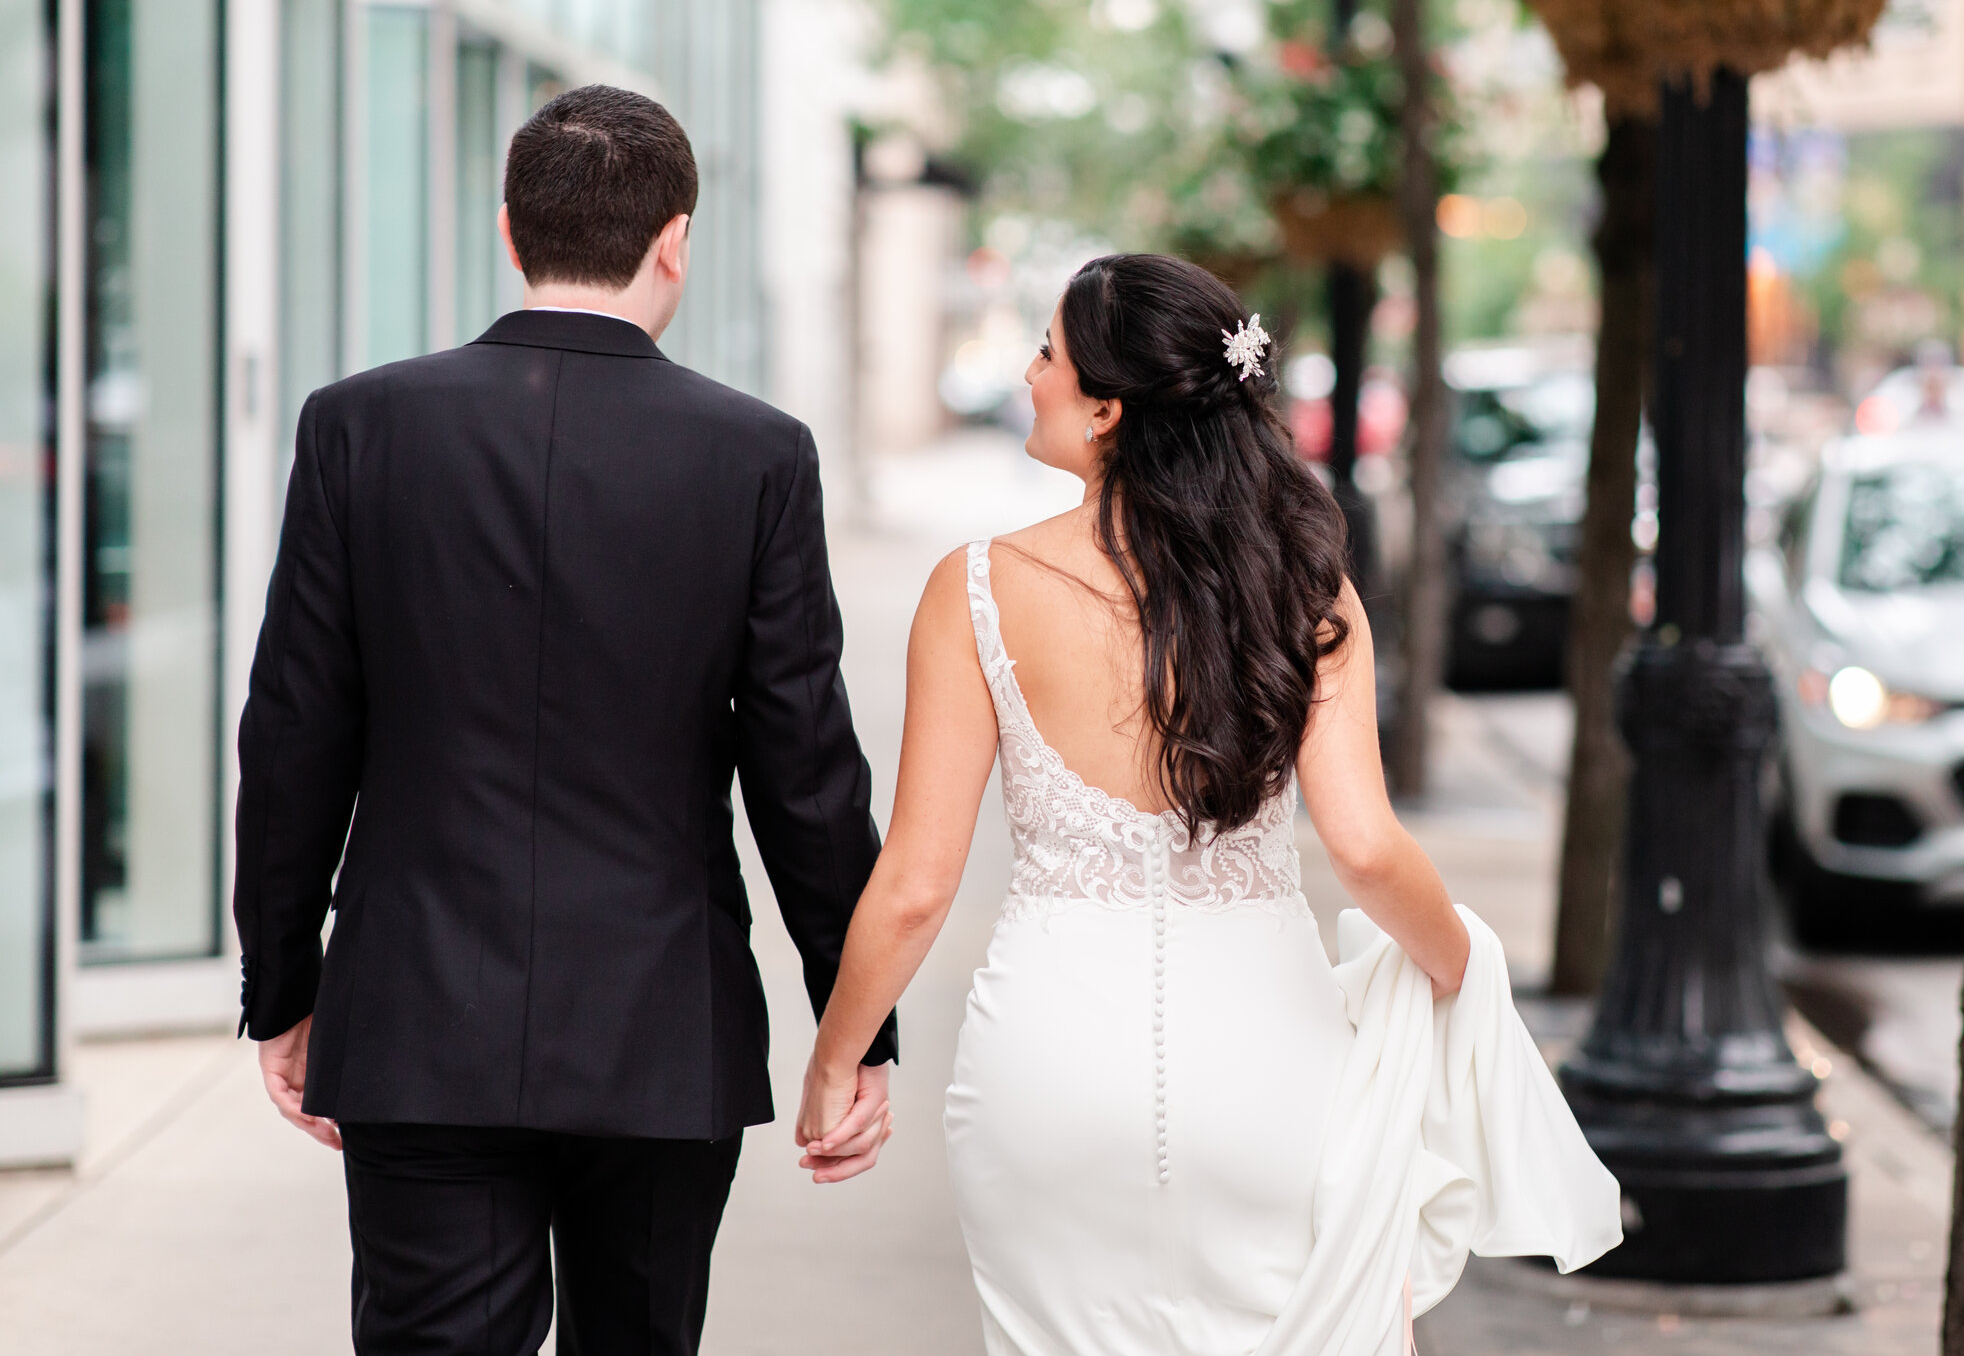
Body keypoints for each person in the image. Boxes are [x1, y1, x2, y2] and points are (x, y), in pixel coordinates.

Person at [795, 254, 1620, 1356]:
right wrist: (1463, 972)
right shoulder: (1304, 586)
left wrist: (837, 1057)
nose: (1030, 373)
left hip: (1044, 1065)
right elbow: (1368, 849)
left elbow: (914, 887)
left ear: (1106, 406)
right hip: (1268, 1065)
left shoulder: (977, 588)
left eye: (1047, 350)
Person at [232, 85, 897, 1356]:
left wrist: (285, 978)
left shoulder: (360, 425)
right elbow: (805, 764)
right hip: (659, 1023)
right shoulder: (756, 453)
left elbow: (295, 728)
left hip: (420, 1012)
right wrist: (849, 1016)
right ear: (675, 240)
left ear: (508, 230)